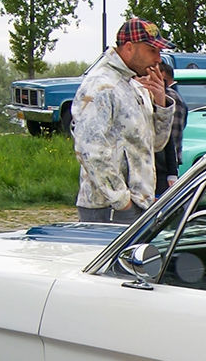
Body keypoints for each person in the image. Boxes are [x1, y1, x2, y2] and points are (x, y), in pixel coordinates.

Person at [72, 17, 177, 224]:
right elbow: (90, 151)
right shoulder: (100, 86)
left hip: (138, 203)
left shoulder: (133, 86)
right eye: (152, 51)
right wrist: (122, 202)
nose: (158, 59)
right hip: (108, 209)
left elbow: (156, 145)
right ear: (129, 48)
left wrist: (161, 105)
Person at [156, 61, 186, 195]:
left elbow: (168, 137)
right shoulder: (178, 98)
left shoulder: (168, 98)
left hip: (163, 166)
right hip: (169, 164)